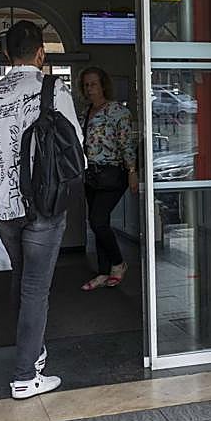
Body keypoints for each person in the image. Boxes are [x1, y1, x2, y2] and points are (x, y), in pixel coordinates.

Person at [0, 21, 82, 400]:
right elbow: (76, 145)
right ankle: (24, 376)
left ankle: (33, 350)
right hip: (45, 205)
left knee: (23, 277)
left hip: (5, 207)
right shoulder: (55, 90)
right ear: (40, 53)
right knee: (36, 287)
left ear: (5, 55)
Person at [78, 66, 138, 291]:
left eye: (93, 83)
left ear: (103, 84)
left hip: (113, 174)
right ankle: (103, 273)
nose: (90, 88)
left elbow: (126, 144)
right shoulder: (86, 113)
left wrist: (132, 172)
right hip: (91, 175)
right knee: (96, 223)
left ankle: (118, 263)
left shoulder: (118, 112)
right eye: (86, 84)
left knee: (98, 220)